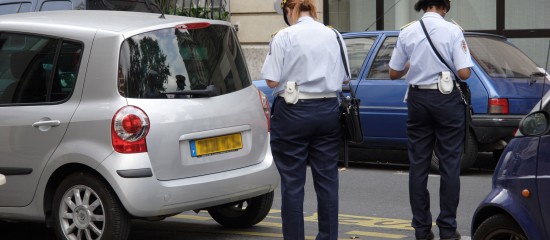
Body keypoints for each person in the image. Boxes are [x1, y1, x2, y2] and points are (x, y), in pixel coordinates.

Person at [261, 0, 349, 239]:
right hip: (328, 110)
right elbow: (344, 79)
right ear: (313, 9)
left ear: (290, 10)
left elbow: (270, 80)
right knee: (328, 181)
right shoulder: (334, 35)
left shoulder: (284, 36)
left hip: (293, 110)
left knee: (292, 183)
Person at [388, 0, 473, 240]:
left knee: (418, 165)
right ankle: (447, 228)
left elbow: (394, 73)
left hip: (417, 98)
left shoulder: (407, 31)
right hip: (446, 99)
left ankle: (422, 230)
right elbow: (464, 72)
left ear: (423, 6)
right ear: (444, 7)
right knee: (449, 165)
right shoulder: (454, 30)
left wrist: (411, 65)